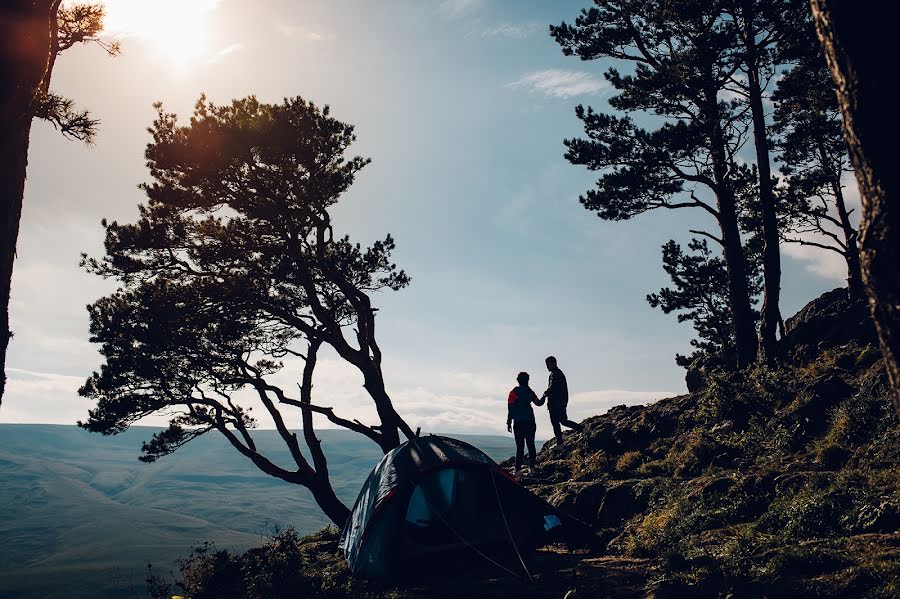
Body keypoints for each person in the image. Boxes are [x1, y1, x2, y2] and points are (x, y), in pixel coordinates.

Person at [541, 356, 583, 451]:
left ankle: (560, 443)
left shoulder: (555, 374)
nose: (547, 367)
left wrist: (545, 393)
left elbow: (553, 387)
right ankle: (581, 429)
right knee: (563, 421)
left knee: (556, 423)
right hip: (560, 402)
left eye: (548, 364)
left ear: (553, 363)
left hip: (556, 404)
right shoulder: (558, 373)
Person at [507, 371, 541, 475]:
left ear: (518, 380)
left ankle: (517, 470)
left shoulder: (514, 392)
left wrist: (508, 422)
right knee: (531, 445)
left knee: (520, 447)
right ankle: (532, 468)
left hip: (518, 423)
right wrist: (545, 395)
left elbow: (510, 408)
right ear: (527, 380)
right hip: (530, 421)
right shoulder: (530, 391)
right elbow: (538, 403)